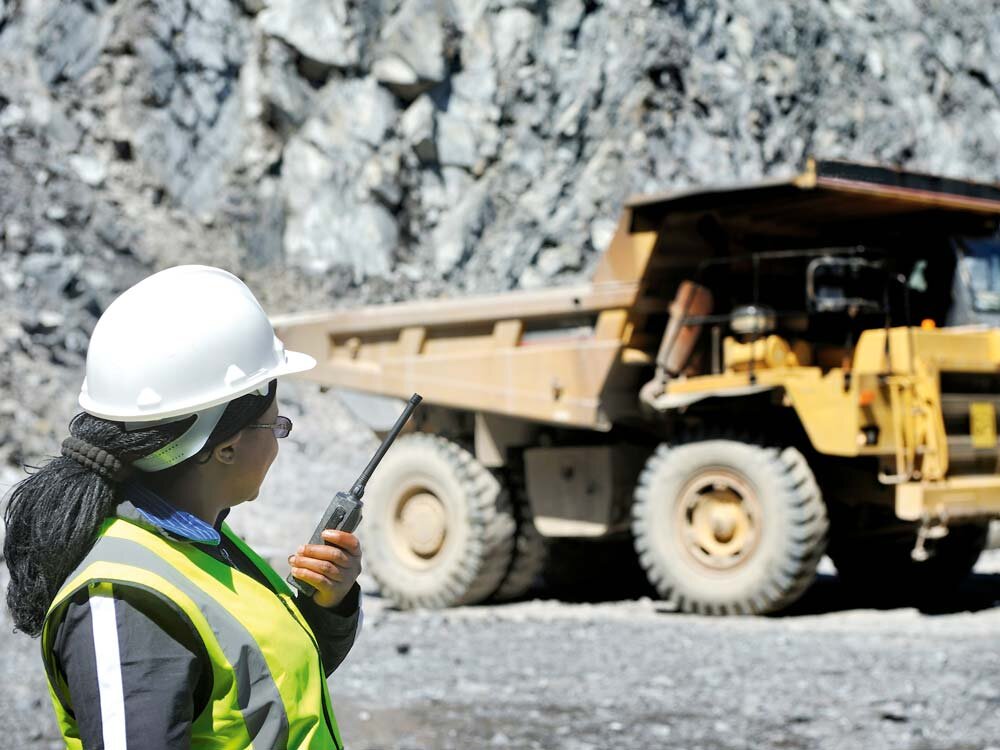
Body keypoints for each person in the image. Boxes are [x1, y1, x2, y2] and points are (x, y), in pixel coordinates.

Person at [3, 265, 361, 749]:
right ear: (226, 446)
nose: (279, 441)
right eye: (277, 426)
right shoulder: (128, 602)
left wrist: (330, 603)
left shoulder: (201, 543)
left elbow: (271, 692)